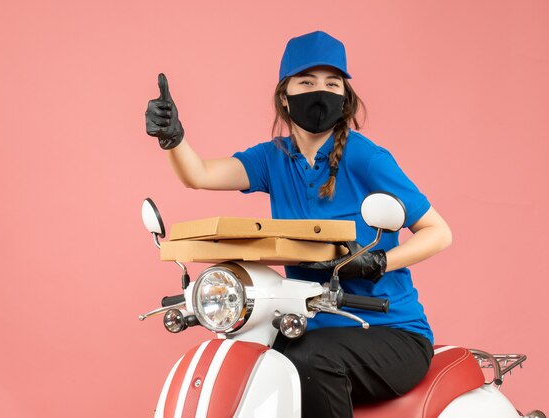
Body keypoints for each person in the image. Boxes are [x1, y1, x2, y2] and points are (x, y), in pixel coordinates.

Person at [145, 30, 452, 418]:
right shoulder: (274, 158)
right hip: (306, 325)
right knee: (255, 359)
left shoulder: (364, 157)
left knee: (310, 361)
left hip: (388, 330)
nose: (319, 92)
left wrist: (376, 263)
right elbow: (200, 174)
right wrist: (173, 138)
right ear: (285, 95)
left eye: (332, 83)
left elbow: (438, 232)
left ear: (345, 96)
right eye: (306, 82)